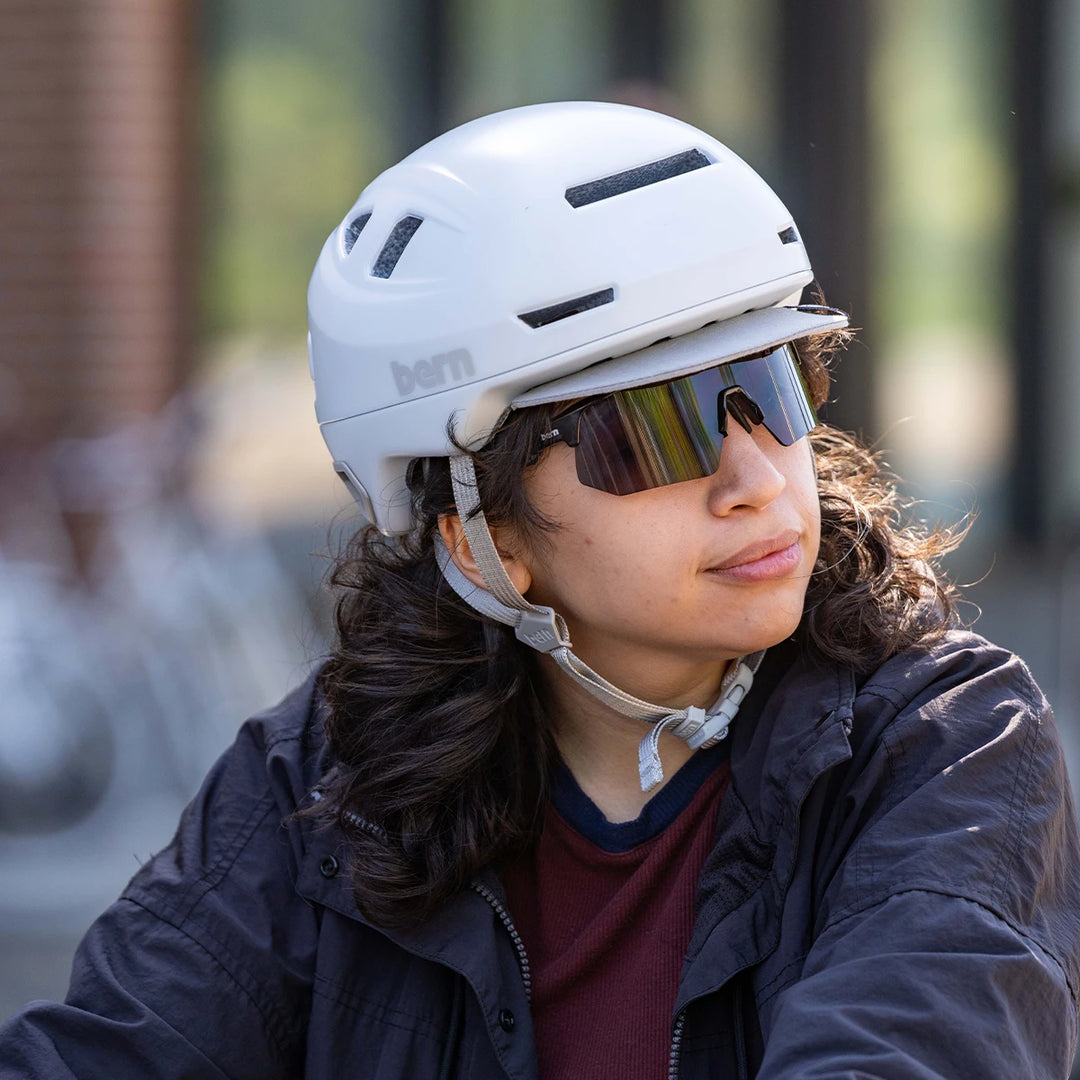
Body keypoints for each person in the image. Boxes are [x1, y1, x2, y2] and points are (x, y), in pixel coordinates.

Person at [2, 100, 1079, 1080]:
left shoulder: (945, 747)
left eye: (774, 387)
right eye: (657, 431)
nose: (757, 482)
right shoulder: (326, 786)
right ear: (483, 541)